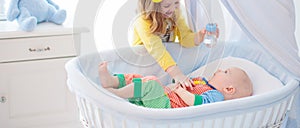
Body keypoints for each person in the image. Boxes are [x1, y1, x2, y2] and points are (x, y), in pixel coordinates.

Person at [132, 0, 218, 88]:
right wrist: (177, 74)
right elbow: (158, 51)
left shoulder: (174, 14)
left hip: (165, 71)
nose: (173, 9)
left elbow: (185, 39)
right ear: (153, 4)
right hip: (146, 69)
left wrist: (201, 35)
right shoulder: (142, 22)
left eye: (176, 3)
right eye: (167, 5)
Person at [98, 62, 253, 109]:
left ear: (229, 89)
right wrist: (178, 83)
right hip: (165, 96)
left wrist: (179, 90)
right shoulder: (202, 81)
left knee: (151, 83)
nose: (219, 70)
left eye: (225, 72)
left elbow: (196, 102)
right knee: (142, 79)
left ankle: (116, 94)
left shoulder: (216, 95)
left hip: (167, 107)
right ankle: (113, 81)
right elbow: (180, 86)